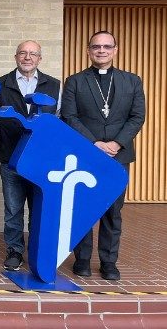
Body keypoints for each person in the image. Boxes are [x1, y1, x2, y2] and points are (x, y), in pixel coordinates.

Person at [61, 30, 145, 281]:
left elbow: (137, 116)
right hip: (87, 155)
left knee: (113, 211)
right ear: (88, 50)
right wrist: (94, 144)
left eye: (107, 46)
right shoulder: (75, 81)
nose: (101, 50)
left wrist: (117, 143)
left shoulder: (132, 81)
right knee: (83, 209)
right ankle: (82, 260)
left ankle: (109, 262)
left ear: (115, 50)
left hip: (118, 157)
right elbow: (69, 116)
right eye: (96, 46)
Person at [0, 41, 60, 271]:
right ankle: (15, 251)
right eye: (23, 53)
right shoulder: (1, 85)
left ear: (40, 58)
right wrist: (12, 136)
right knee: (13, 209)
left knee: (39, 208)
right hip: (11, 158)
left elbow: (58, 120)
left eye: (33, 54)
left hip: (41, 162)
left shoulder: (55, 86)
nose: (27, 57)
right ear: (16, 56)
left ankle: (37, 249)